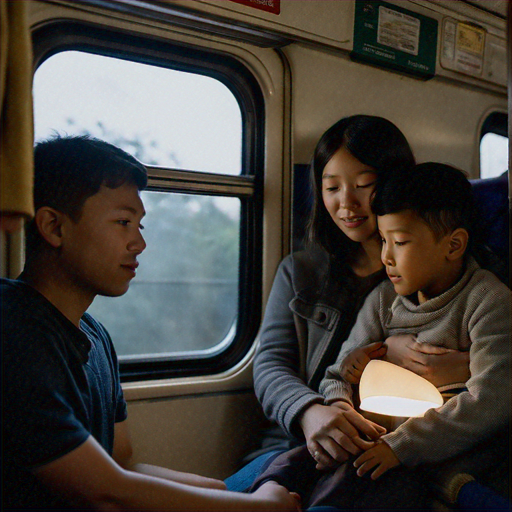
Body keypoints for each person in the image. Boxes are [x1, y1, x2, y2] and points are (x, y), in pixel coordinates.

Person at [1, 135, 301, 512]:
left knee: (289, 466)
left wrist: (219, 492)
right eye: (123, 222)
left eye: (139, 225)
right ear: (54, 227)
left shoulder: (94, 335)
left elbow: (121, 462)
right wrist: (259, 508)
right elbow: (102, 490)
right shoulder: (13, 327)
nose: (139, 244)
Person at [226, 115, 473, 492]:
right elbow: (271, 364)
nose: (347, 204)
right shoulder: (302, 272)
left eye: (364, 186)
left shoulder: (442, 270)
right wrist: (311, 413)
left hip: (402, 440)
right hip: (307, 436)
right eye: (331, 188)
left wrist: (463, 368)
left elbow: (494, 366)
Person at [250, 163, 511, 509]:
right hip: (374, 437)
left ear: (454, 245)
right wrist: (340, 406)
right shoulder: (383, 299)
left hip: (430, 452)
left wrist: (400, 446)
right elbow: (337, 372)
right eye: (383, 240)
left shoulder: (488, 301)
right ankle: (264, 498)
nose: (386, 257)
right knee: (295, 462)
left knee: (369, 480)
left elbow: (491, 401)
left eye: (399, 242)